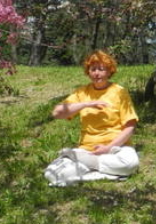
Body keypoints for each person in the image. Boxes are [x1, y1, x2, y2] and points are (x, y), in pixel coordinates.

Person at [44, 50, 140, 186]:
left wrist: (108, 148)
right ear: (88, 72)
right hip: (88, 149)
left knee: (131, 164)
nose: (97, 73)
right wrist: (86, 104)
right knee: (50, 173)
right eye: (93, 69)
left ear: (109, 71)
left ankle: (86, 166)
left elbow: (130, 126)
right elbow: (57, 113)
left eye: (101, 69)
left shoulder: (119, 92)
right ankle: (106, 173)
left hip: (117, 148)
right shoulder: (82, 92)